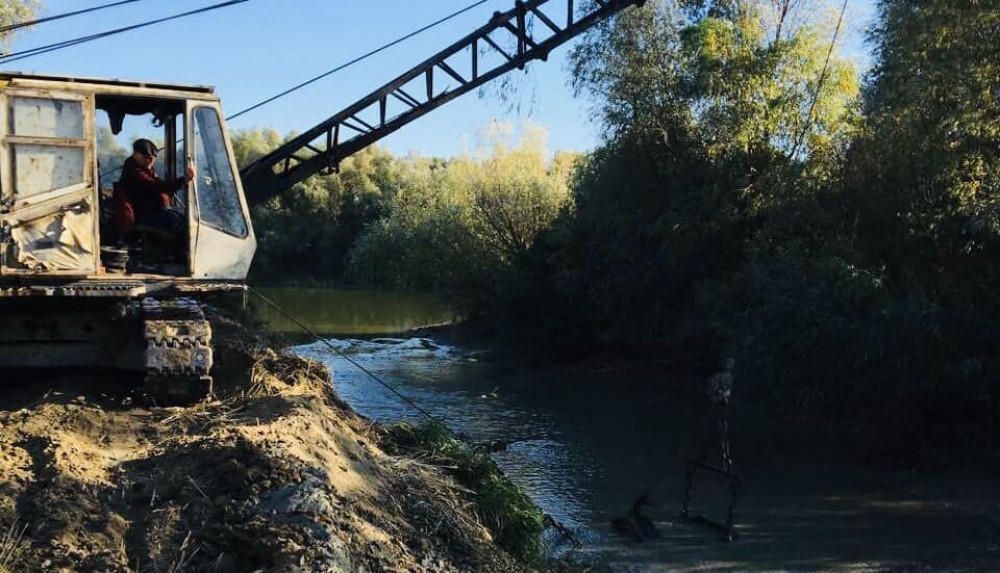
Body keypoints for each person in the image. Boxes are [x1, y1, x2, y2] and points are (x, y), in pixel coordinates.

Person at [117, 138, 194, 237]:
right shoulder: (134, 172)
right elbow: (155, 186)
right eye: (146, 157)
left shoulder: (144, 169)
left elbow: (159, 185)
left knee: (186, 216)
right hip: (143, 214)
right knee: (179, 222)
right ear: (135, 154)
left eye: (152, 158)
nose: (149, 161)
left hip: (154, 210)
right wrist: (183, 180)